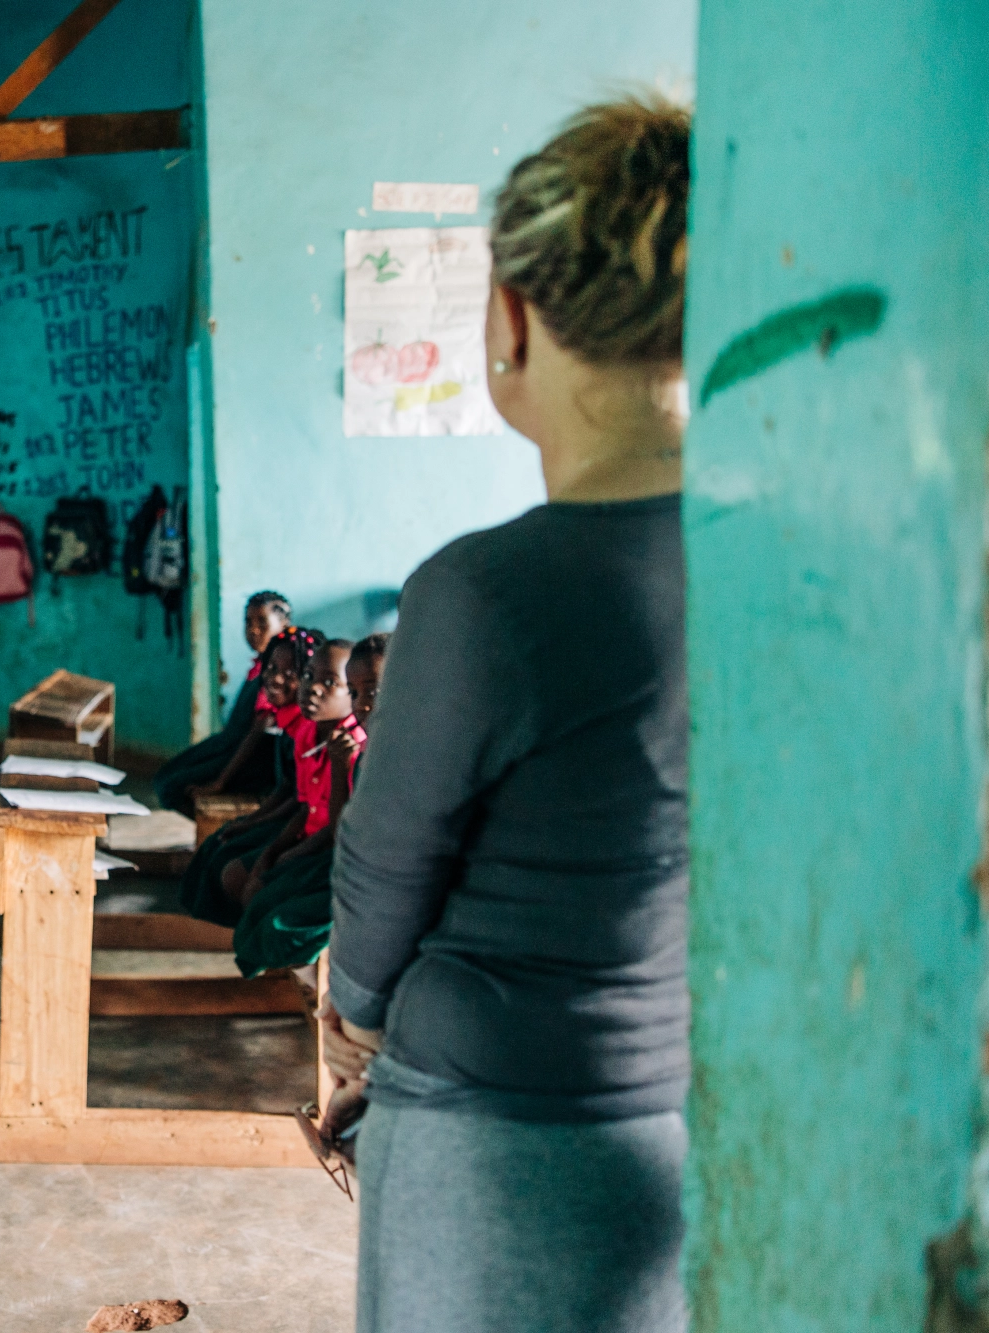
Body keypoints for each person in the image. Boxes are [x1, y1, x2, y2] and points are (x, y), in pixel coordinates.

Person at [322, 97, 692, 1333]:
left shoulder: (487, 591)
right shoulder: (780, 571)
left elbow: (389, 856)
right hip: (691, 1112)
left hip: (492, 1122)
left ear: (514, 318)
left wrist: (355, 1016)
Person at [231, 632, 386, 979]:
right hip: (347, 860)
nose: (362, 705)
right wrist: (341, 769)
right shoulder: (357, 752)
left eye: (373, 692)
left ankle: (315, 986)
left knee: (281, 921)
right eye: (356, 693)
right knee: (264, 897)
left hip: (376, 878)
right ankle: (295, 982)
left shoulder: (394, 755)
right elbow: (340, 826)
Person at [181, 626, 320, 927]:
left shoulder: (307, 730)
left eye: (291, 673)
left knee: (230, 864)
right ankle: (204, 926)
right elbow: (286, 789)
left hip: (297, 824)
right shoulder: (287, 721)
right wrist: (250, 822)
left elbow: (298, 800)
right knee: (218, 843)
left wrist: (254, 824)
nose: (276, 678)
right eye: (271, 669)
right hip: (287, 815)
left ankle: (229, 931)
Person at [155, 591, 293, 815]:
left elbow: (257, 731)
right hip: (229, 743)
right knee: (165, 775)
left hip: (248, 759)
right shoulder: (259, 665)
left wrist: (220, 782)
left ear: (284, 625)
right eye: (248, 622)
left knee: (173, 786)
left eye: (262, 622)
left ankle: (217, 830)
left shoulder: (274, 674)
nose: (253, 630)